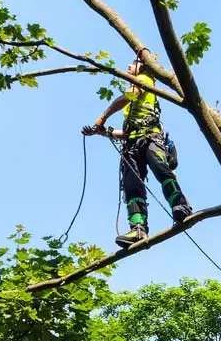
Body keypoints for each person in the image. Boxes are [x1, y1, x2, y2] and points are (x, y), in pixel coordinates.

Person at [81, 52, 192, 248]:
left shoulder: (144, 79)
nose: (128, 66)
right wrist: (101, 132)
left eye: (133, 63)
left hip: (150, 138)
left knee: (162, 170)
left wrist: (102, 117)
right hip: (132, 145)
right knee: (132, 187)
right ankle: (138, 228)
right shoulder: (132, 104)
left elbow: (128, 96)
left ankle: (180, 204)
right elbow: (124, 133)